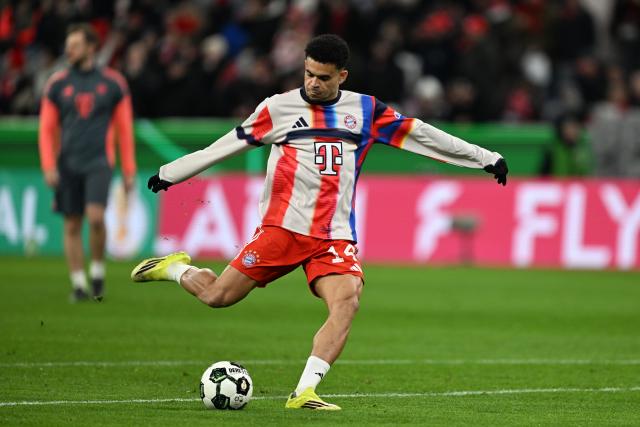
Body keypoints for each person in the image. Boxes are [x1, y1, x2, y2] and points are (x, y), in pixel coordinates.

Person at [131, 34, 508, 410]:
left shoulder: (365, 112)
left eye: (324, 77)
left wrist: (484, 157)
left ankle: (304, 391)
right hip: (283, 229)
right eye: (308, 73)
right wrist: (172, 172)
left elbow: (423, 135)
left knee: (347, 301)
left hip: (334, 236)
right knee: (218, 297)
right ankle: (174, 269)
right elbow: (225, 145)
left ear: (342, 76)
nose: (313, 82)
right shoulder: (277, 108)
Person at [39, 23, 137, 302]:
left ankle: (97, 272)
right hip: (67, 163)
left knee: (95, 218)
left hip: (98, 161)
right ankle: (79, 284)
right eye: (68, 45)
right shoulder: (57, 83)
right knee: (71, 224)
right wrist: (48, 165)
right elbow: (46, 129)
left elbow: (124, 130)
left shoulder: (113, 83)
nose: (69, 50)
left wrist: (128, 170)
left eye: (76, 45)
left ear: (92, 47)